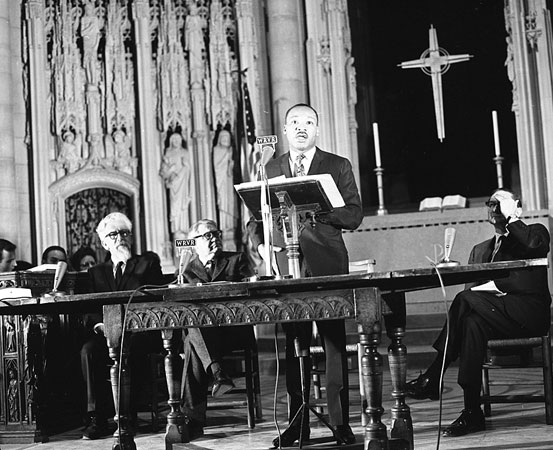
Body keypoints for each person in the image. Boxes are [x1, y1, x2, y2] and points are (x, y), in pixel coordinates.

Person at [247, 103, 363, 447]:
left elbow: (354, 214)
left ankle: (340, 423)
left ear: (317, 129)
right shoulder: (270, 167)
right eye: (295, 122)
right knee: (293, 343)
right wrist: (263, 248)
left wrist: (318, 212)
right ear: (285, 130)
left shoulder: (337, 165)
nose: (301, 128)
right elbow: (255, 220)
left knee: (333, 343)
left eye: (308, 122)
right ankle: (298, 423)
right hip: (287, 266)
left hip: (327, 261)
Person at [404, 188, 551, 437]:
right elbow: (473, 294)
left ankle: (434, 374)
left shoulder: (535, 232)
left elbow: (533, 245)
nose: (495, 208)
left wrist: (512, 218)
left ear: (517, 207)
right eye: (491, 204)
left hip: (528, 315)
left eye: (501, 203)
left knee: (465, 300)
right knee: (471, 323)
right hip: (494, 316)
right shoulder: (480, 249)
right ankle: (472, 411)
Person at [80, 212, 164, 440]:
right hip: (106, 331)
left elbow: (154, 298)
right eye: (113, 234)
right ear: (104, 242)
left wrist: (127, 264)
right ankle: (96, 419)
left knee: (131, 349)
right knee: (88, 351)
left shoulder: (147, 263)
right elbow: (90, 308)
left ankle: (128, 418)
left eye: (124, 233)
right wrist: (100, 326)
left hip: (140, 331)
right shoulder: (96, 272)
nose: (120, 238)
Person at [180, 219, 255, 435]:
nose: (214, 238)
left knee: (192, 340)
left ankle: (193, 420)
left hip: (232, 330)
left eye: (216, 234)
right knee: (193, 331)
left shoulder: (235, 260)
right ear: (194, 243)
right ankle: (218, 373)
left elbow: (247, 291)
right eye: (207, 235)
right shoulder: (187, 268)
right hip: (204, 335)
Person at [160, 131, 191, 235]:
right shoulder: (168, 153)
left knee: (183, 207)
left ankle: (183, 230)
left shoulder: (185, 152)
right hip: (173, 185)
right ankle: (176, 231)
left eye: (178, 139)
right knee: (174, 207)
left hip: (183, 184)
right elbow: (163, 173)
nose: (176, 141)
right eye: (173, 139)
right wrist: (170, 170)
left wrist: (183, 170)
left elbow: (188, 169)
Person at [213, 128, 236, 244]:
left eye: (228, 138)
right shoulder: (217, 150)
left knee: (230, 202)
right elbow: (217, 167)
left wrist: (231, 162)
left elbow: (230, 170)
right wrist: (227, 155)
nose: (226, 140)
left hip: (228, 180)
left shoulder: (231, 150)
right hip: (221, 182)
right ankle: (224, 227)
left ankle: (230, 228)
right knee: (223, 201)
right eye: (224, 138)